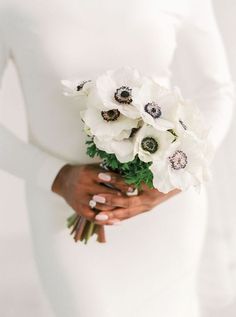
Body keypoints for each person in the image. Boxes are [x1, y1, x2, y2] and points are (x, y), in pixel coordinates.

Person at [0, 0, 234, 316]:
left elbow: (216, 90)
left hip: (167, 209)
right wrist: (55, 175)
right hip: (64, 215)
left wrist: (170, 184)